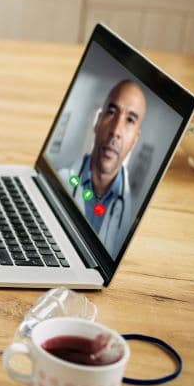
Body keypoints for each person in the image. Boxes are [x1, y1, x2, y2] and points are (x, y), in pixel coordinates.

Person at [59, 80, 146, 257]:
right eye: (112, 112)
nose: (116, 131)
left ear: (135, 140)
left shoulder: (136, 221)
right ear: (98, 122)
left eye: (130, 120)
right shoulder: (62, 178)